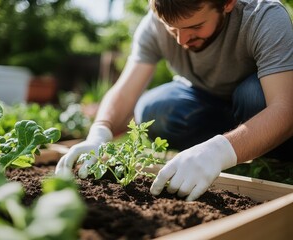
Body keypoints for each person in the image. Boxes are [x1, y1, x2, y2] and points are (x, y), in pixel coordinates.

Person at [56, 0, 293, 201]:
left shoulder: (263, 16)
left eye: (195, 26)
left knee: (254, 96)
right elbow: (125, 89)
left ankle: (251, 150)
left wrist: (218, 152)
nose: (181, 40)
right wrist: (100, 132)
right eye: (171, 28)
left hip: (255, 103)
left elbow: (285, 108)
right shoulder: (154, 23)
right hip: (206, 100)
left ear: (227, 4)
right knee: (153, 110)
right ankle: (219, 149)